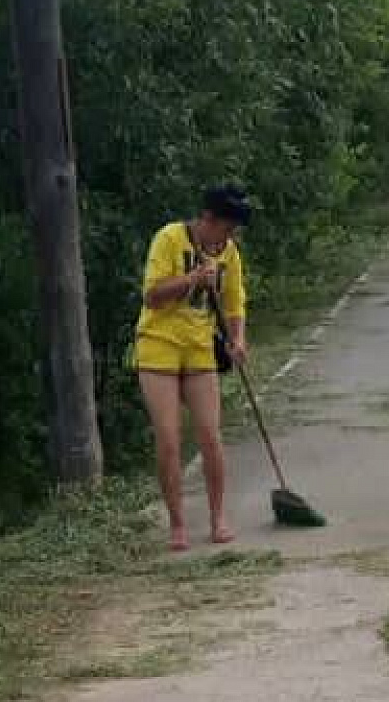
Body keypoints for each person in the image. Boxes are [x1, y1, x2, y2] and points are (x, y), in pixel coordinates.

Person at [133, 185, 251, 551]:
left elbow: (234, 302)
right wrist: (192, 280)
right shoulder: (169, 239)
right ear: (208, 219)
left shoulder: (228, 253)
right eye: (226, 228)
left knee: (210, 436)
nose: (229, 237)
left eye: (233, 232)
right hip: (159, 346)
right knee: (168, 439)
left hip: (200, 348)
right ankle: (178, 524)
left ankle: (218, 518)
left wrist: (237, 339)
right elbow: (151, 295)